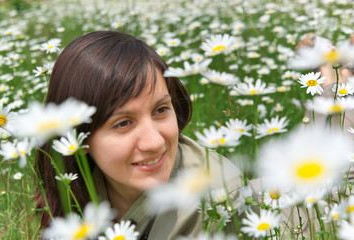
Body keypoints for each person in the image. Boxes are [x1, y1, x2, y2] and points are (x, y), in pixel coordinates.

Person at [34, 31, 243, 239]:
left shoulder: (215, 200)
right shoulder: (73, 189)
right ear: (79, 136)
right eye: (123, 123)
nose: (155, 142)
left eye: (160, 110)